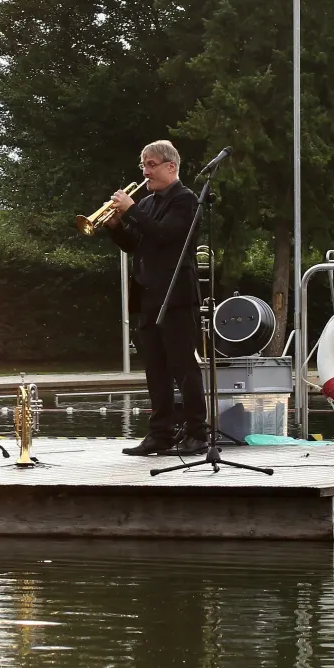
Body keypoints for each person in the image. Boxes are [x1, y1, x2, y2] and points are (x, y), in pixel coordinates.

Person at [105, 139, 208, 456]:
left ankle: (197, 433)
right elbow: (135, 244)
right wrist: (115, 227)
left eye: (151, 165)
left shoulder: (186, 200)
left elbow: (166, 235)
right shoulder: (148, 203)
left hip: (176, 297)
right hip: (148, 296)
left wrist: (131, 211)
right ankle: (160, 433)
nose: (145, 172)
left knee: (183, 367)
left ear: (170, 166)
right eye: (143, 165)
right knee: (155, 370)